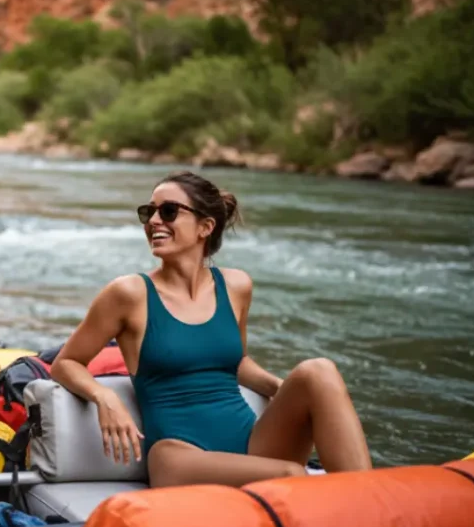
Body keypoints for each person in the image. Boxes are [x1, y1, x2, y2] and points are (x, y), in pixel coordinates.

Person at [50, 170, 372, 488]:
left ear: (206, 226)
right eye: (148, 212)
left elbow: (236, 361)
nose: (153, 222)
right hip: (179, 454)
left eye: (169, 211)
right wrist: (104, 397)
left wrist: (279, 387)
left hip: (249, 443)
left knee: (319, 371)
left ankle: (376, 508)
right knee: (291, 476)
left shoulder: (236, 285)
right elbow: (66, 363)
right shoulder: (129, 294)